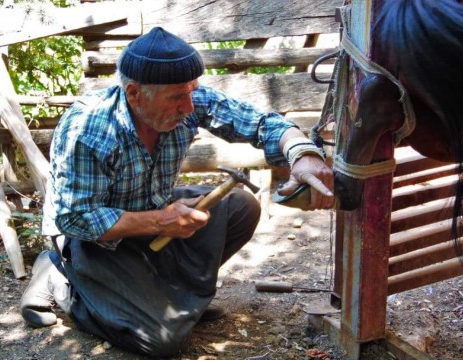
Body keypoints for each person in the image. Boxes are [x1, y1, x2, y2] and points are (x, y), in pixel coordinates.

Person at [19, 27, 334, 357]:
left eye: (192, 92)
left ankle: (171, 299)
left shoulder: (188, 99)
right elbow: (76, 218)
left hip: (150, 206)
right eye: (175, 98)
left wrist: (302, 153)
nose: (188, 106)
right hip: (94, 238)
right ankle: (61, 277)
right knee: (161, 342)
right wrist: (159, 222)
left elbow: (258, 123)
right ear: (134, 94)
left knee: (241, 207)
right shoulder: (90, 130)